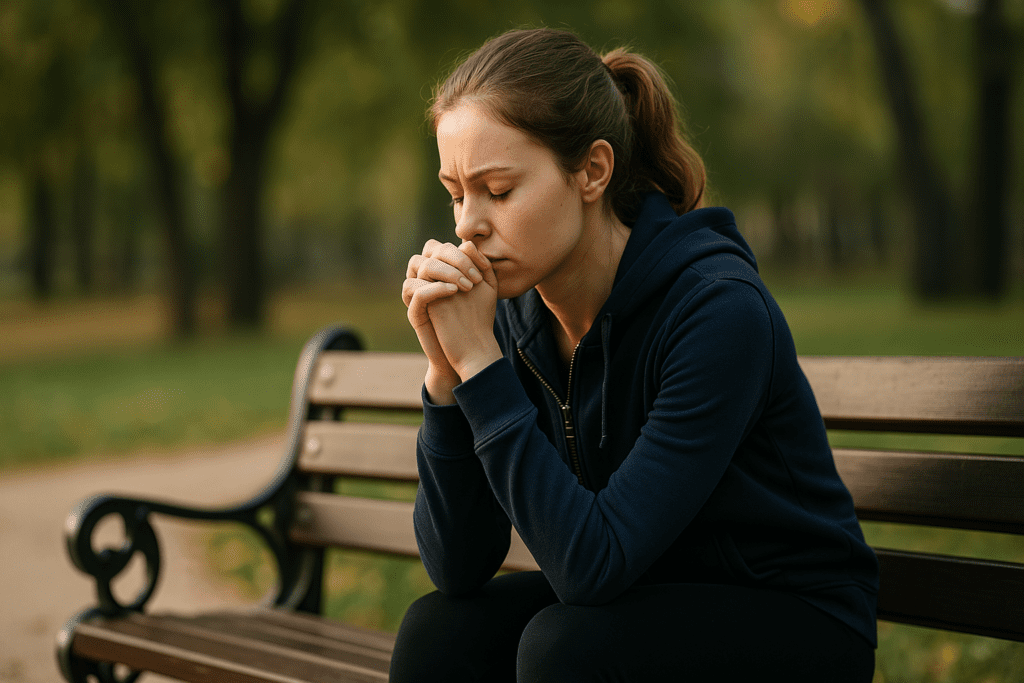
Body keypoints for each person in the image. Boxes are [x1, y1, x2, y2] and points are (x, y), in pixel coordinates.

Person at [395, 27, 878, 683]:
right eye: (457, 193)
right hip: (645, 591)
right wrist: (446, 378)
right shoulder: (512, 312)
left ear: (592, 171)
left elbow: (591, 567)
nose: (466, 224)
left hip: (795, 617)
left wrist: (482, 366)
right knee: (438, 631)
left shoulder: (717, 310)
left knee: (564, 647)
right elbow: (458, 565)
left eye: (498, 190)